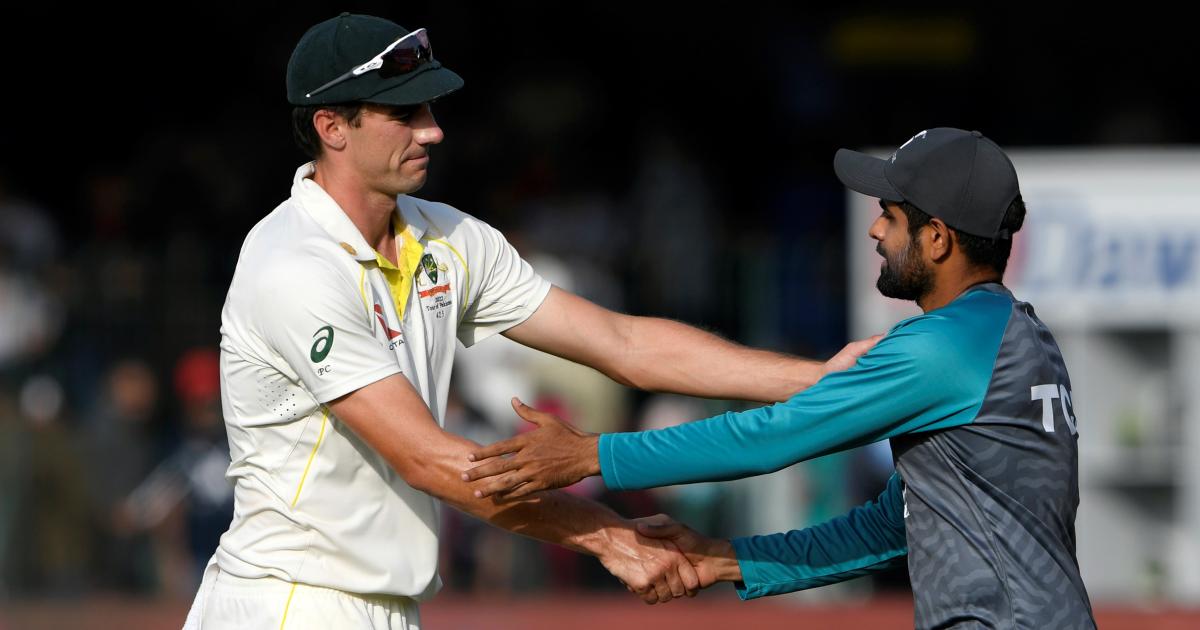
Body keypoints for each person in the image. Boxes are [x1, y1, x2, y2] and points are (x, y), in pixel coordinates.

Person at [183, 13, 875, 629]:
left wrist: (818, 379)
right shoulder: (293, 264)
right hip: (286, 604)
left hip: (383, 606)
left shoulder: (448, 236)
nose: (433, 129)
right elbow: (429, 460)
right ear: (332, 126)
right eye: (403, 112)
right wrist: (608, 536)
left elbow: (623, 343)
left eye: (428, 106)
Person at [465, 128, 1097, 629]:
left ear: (936, 239)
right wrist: (723, 561)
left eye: (889, 215)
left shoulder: (944, 346)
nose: (874, 229)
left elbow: (770, 437)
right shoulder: (1020, 335)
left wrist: (592, 455)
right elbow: (895, 525)